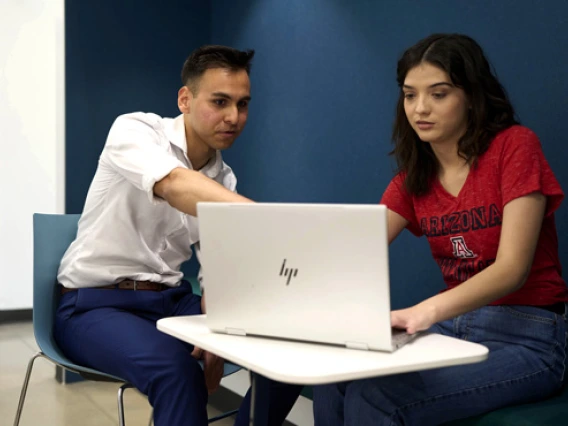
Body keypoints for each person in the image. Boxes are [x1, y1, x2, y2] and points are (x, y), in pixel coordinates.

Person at [313, 33, 568, 426]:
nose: (420, 108)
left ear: (471, 95)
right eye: (409, 94)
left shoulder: (515, 147)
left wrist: (423, 311)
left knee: (377, 396)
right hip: (457, 326)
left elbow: (511, 268)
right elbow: (354, 249)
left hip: (531, 336)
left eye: (439, 93)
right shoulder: (413, 178)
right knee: (336, 377)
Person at [54, 45, 302, 426]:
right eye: (220, 102)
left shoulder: (224, 178)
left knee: (290, 346)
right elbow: (173, 184)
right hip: (94, 305)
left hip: (170, 302)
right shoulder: (135, 130)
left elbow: (218, 269)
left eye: (242, 104)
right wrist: (260, 217)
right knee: (178, 372)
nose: (233, 117)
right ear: (185, 99)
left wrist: (215, 340)